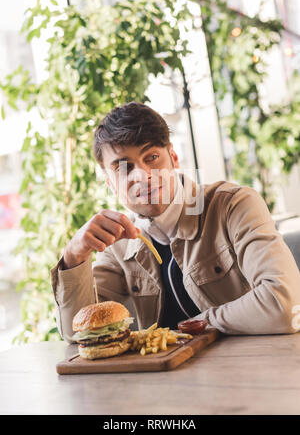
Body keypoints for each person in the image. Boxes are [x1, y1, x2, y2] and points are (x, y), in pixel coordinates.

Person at [51, 102, 300, 342]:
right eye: (123, 167)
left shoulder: (233, 206)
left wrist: (203, 324)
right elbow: (78, 334)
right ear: (109, 182)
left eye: (151, 158)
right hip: (168, 382)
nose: (143, 176)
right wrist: (74, 255)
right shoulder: (119, 244)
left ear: (173, 158)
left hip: (252, 370)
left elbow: (287, 303)